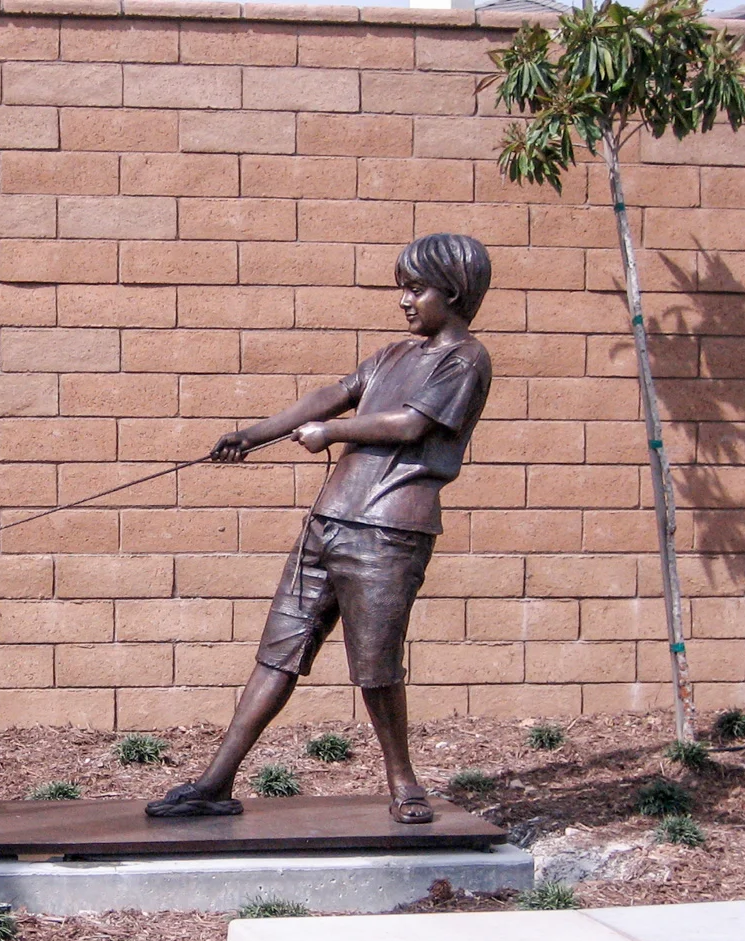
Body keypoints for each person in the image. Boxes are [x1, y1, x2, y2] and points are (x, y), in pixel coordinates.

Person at [147, 233, 493, 825]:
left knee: (376, 666)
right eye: (403, 289)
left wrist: (332, 433)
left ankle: (404, 783)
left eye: (417, 289)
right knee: (278, 653)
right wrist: (252, 435)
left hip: (388, 531)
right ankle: (215, 782)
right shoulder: (393, 355)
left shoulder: (464, 360)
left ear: (454, 291)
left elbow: (410, 426)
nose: (405, 301)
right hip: (328, 520)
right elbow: (334, 394)